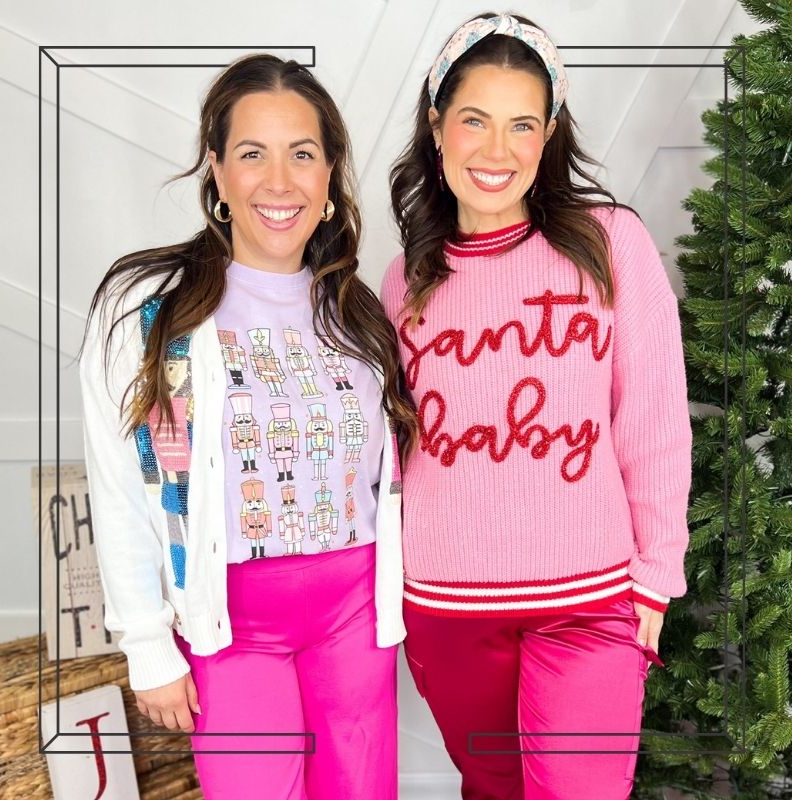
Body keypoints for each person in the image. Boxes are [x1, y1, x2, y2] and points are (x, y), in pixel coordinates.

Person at [80, 53, 417, 800]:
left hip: (354, 616)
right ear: (217, 170)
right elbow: (120, 481)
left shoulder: (358, 313)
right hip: (229, 625)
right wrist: (146, 646)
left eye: (302, 154)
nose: (278, 180)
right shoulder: (149, 311)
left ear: (330, 174)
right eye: (251, 154)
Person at [381, 12, 692, 800]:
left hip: (589, 603)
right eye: (475, 120)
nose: (497, 150)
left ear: (548, 133)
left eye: (522, 124)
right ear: (436, 124)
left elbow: (653, 420)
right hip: (447, 607)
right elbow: (389, 449)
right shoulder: (403, 281)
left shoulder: (609, 242)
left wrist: (654, 580)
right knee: (492, 791)